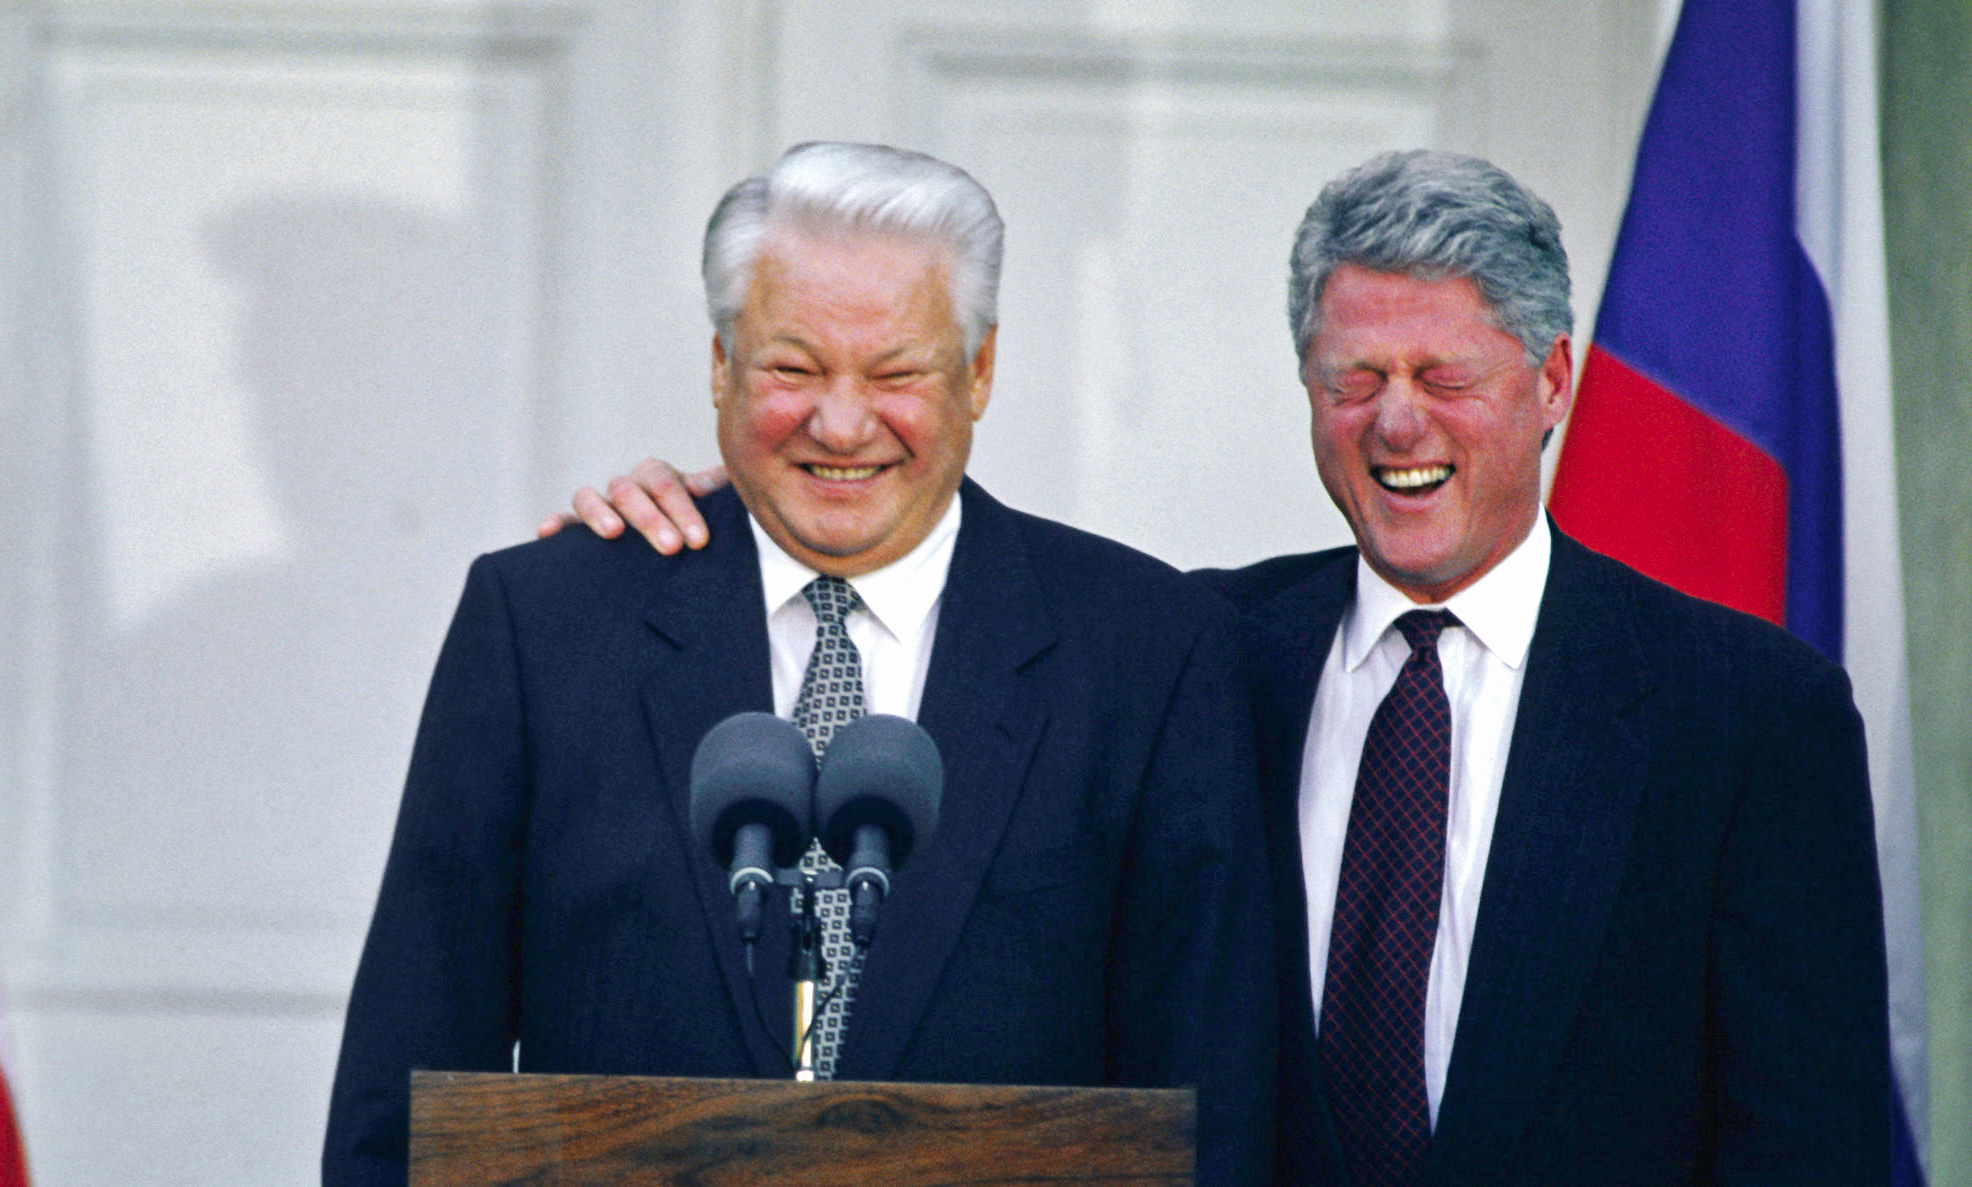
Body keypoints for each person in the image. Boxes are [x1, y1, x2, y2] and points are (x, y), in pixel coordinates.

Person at [559, 148, 1890, 1185]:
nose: (1396, 421)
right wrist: (732, 519)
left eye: (1443, 372)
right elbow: (934, 577)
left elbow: (1806, 1149)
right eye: (1351, 375)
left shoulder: (1746, 715)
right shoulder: (1178, 655)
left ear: (1550, 379)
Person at [324, 142, 1274, 1186]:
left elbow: (1210, 1110)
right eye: (792, 366)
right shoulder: (545, 624)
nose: (841, 421)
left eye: (897, 371)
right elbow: (406, 1084)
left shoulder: (1147, 649)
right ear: (721, 365)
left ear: (981, 370)